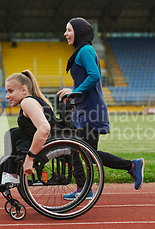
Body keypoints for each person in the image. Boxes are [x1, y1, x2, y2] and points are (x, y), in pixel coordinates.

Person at [57, 17, 145, 199]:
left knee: (86, 151)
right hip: (83, 110)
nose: (65, 33)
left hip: (91, 109)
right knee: (78, 149)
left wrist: (75, 91)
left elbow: (95, 75)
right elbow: (85, 79)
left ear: (79, 31)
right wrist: (73, 90)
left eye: (69, 30)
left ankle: (132, 166)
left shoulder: (85, 50)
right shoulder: (81, 52)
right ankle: (84, 188)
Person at [0, 70, 58, 188]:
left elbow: (44, 129)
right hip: (46, 139)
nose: (7, 96)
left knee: (14, 133)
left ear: (24, 90)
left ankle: (12, 175)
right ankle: (6, 173)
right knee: (13, 133)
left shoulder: (27, 102)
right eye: (7, 92)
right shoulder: (31, 100)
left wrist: (30, 158)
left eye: (10, 91)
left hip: (48, 142)